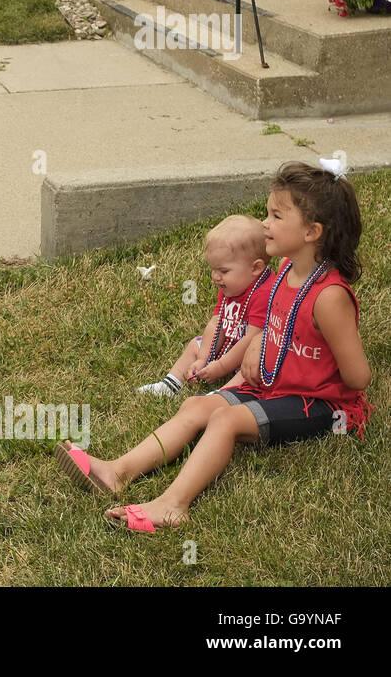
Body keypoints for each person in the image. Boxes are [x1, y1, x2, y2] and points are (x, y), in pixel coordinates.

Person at [57, 160, 372, 530]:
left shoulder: (329, 296)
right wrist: (257, 348)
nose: (265, 223)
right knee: (196, 405)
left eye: (275, 216)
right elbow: (272, 328)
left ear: (311, 232)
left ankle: (172, 505)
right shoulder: (285, 271)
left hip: (320, 405)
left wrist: (290, 363)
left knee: (224, 420)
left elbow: (357, 378)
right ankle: (117, 472)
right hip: (272, 385)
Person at [136, 216, 275, 397]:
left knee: (250, 368)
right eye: (213, 270)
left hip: (251, 351)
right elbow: (217, 322)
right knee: (196, 343)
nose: (215, 277)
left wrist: (221, 366)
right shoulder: (230, 287)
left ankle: (222, 394)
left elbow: (251, 339)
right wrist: (204, 358)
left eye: (223, 271)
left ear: (255, 268)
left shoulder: (264, 292)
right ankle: (170, 384)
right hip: (230, 344)